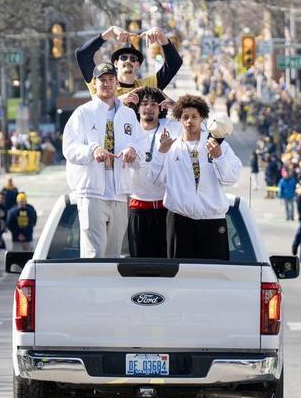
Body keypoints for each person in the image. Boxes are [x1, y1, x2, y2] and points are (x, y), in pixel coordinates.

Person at [62, 62, 140, 258]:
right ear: (94, 84)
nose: (107, 84)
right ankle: (91, 289)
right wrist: (92, 150)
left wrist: (133, 149)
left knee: (114, 255)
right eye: (102, 80)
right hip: (92, 192)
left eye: (111, 80)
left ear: (116, 83)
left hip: (119, 192)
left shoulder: (129, 114)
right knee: (94, 253)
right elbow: (69, 148)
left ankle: (109, 289)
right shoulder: (83, 113)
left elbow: (140, 143)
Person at [150, 95, 242, 260]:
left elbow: (231, 178)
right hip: (179, 221)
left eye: (194, 117)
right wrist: (161, 152)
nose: (189, 121)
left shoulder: (218, 145)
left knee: (213, 275)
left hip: (212, 221)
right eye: (185, 117)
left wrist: (219, 157)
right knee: (181, 278)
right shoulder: (170, 147)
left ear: (202, 119)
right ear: (179, 119)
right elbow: (155, 179)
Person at [127, 87, 179, 258]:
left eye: (153, 104)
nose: (148, 108)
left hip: (166, 207)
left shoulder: (169, 126)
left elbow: (201, 127)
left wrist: (177, 106)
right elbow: (105, 114)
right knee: (140, 264)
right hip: (138, 206)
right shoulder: (128, 127)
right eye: (144, 104)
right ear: (137, 107)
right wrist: (124, 100)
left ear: (160, 108)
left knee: (167, 263)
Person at [75, 25, 182, 98]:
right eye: (123, 57)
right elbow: (82, 55)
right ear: (116, 63)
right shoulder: (103, 84)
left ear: (138, 65)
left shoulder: (147, 87)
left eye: (133, 59)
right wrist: (109, 33)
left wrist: (162, 37)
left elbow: (174, 63)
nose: (128, 61)